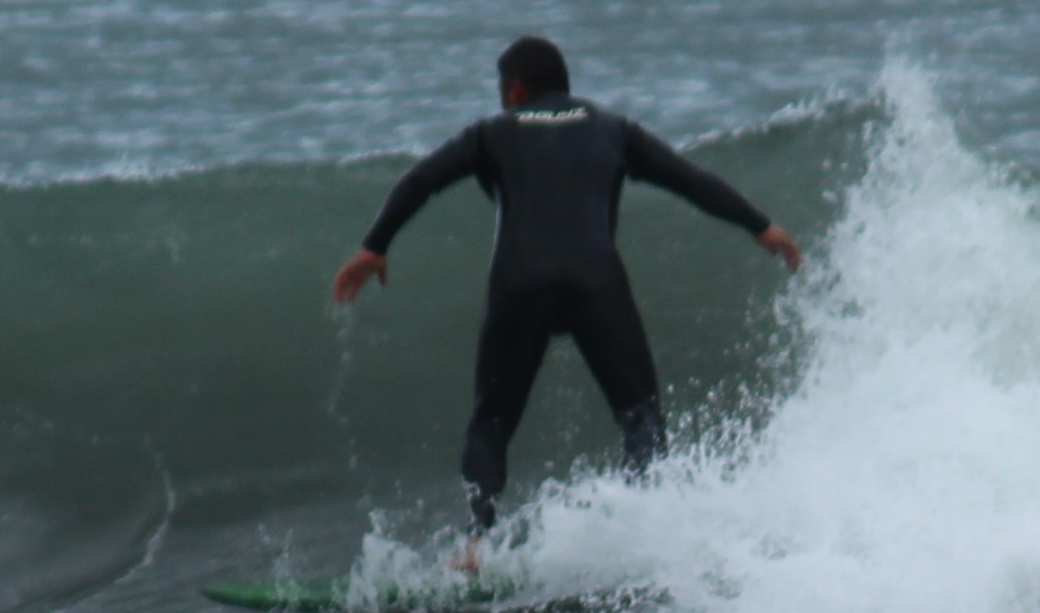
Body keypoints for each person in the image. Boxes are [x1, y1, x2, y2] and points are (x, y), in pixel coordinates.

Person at [334, 37, 802, 551]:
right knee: (640, 417)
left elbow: (421, 179)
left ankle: (476, 546)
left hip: (520, 282)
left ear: (513, 89)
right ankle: (651, 536)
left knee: (491, 421)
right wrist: (761, 227)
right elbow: (689, 180)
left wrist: (374, 247)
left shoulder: (491, 133)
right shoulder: (612, 129)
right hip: (595, 281)